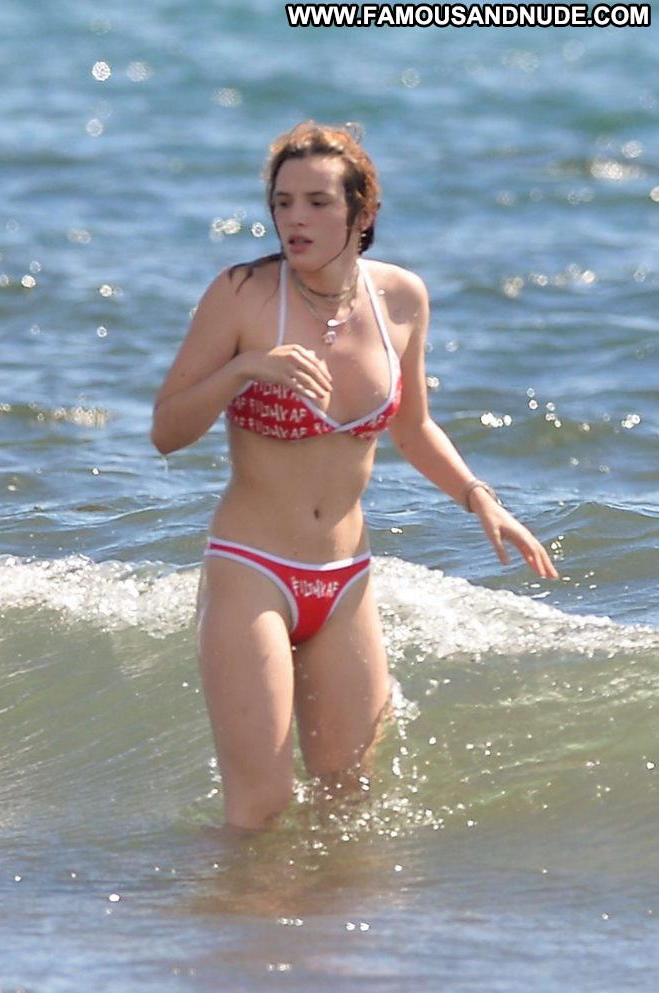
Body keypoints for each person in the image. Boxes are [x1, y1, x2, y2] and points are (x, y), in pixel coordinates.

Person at [151, 120, 558, 832]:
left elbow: (414, 427)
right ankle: (226, 905)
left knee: (348, 803)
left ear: (362, 213)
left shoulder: (401, 299)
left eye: (317, 202)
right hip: (253, 569)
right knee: (261, 806)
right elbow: (167, 431)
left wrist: (479, 498)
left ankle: (333, 912)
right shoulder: (243, 294)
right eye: (282, 203)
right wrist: (246, 368)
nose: (295, 220)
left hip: (345, 579)